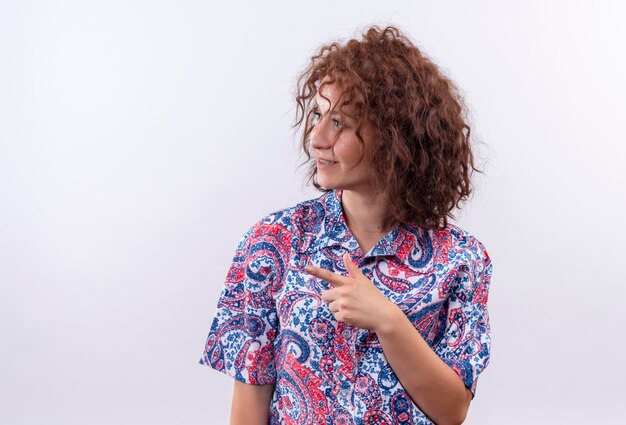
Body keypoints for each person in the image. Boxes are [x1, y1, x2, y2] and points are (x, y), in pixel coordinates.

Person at [199, 25, 493, 425]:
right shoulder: (274, 241)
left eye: (339, 123)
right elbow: (249, 402)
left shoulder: (461, 259)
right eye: (319, 116)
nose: (317, 138)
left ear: (395, 136)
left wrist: (389, 322)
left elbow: (452, 410)